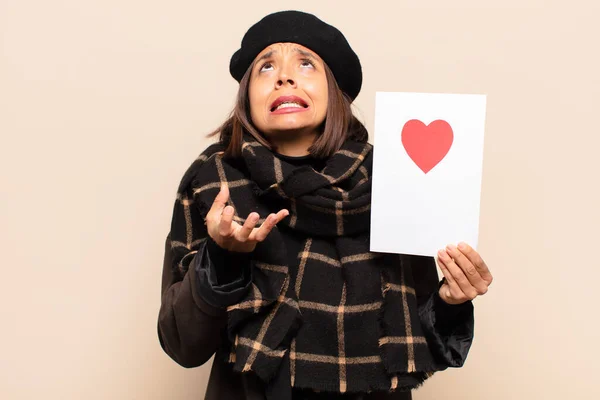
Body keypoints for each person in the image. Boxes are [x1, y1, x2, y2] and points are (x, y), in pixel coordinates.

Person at [158, 10, 493, 400]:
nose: (284, 76)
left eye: (305, 63)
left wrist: (451, 301)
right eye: (266, 67)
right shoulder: (212, 183)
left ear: (335, 92)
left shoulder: (394, 178)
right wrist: (221, 259)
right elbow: (182, 345)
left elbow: (419, 342)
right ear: (247, 97)